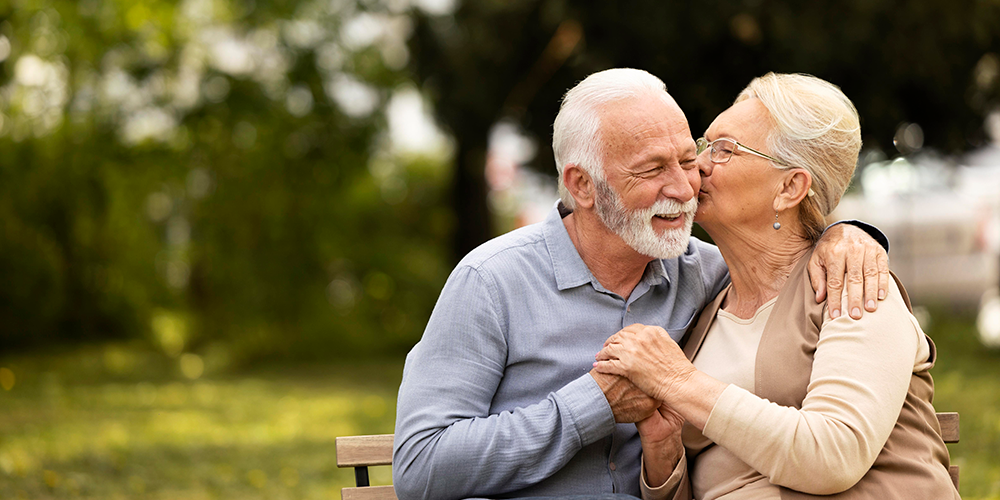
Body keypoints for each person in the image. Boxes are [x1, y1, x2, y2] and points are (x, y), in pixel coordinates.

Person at [393, 68, 889, 500]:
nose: (685, 186)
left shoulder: (710, 275)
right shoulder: (491, 282)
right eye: (652, 169)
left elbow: (783, 247)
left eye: (687, 159)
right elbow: (420, 465)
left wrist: (847, 234)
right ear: (582, 185)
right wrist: (593, 404)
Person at [593, 73, 958, 499]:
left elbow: (832, 456)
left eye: (725, 149)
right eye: (705, 145)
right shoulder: (706, 302)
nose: (699, 165)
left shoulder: (852, 283)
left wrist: (678, 381)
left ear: (790, 187)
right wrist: (663, 449)